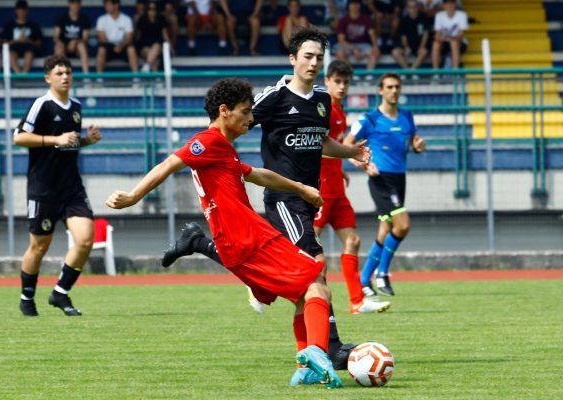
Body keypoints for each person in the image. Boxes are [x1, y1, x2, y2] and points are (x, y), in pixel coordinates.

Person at [106, 78, 344, 389]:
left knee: (304, 295)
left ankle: (307, 364)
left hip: (243, 240)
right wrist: (134, 196)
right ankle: (316, 355)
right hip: (248, 238)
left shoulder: (223, 150)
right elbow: (170, 162)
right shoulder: (208, 141)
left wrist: (300, 188)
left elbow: (257, 174)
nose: (251, 118)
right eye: (245, 112)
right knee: (317, 285)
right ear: (224, 111)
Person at [162, 27, 371, 372]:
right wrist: (222, 159)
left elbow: (318, 140)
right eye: (307, 56)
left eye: (319, 57)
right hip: (285, 199)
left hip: (308, 198)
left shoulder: (321, 101)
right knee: (314, 270)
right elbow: (235, 119)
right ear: (292, 59)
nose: (314, 63)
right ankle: (328, 347)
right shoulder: (273, 97)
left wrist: (348, 151)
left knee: (303, 282)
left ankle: (310, 355)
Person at [14, 54, 102, 317]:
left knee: (86, 239)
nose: (65, 77)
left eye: (68, 73)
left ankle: (60, 293)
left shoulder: (75, 106)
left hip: (71, 188)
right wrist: (55, 139)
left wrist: (87, 141)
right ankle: (26, 297)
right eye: (59, 73)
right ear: (48, 78)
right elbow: (18, 138)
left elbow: (69, 142)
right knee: (39, 246)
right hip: (43, 189)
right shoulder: (41, 105)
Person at [314, 59, 391, 314]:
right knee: (308, 245)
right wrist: (348, 156)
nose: (342, 86)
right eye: (337, 81)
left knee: (354, 240)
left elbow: (335, 148)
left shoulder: (340, 109)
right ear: (326, 81)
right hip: (321, 188)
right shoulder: (323, 110)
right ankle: (266, 285)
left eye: (346, 82)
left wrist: (343, 168)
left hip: (336, 185)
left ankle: (357, 302)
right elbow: (315, 149)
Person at [344, 72, 426, 297]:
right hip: (381, 179)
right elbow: (346, 146)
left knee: (387, 229)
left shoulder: (407, 117)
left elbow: (413, 142)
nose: (394, 91)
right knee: (403, 224)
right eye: (389, 87)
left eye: (397, 87)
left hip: (400, 177)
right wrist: (362, 164)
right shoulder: (369, 120)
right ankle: (382, 274)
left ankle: (363, 280)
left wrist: (419, 146)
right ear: (380, 90)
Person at [333, 0, 379, 72]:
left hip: (362, 44)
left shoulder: (366, 18)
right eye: (352, 4)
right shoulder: (343, 20)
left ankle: (369, 74)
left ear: (360, 6)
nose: (354, 6)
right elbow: (341, 40)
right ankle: (350, 74)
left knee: (375, 52)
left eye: (356, 4)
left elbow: (372, 35)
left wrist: (375, 46)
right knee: (339, 53)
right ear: (348, 6)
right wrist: (353, 49)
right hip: (347, 44)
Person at [96, 0, 139, 75]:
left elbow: (129, 38)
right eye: (105, 5)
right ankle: (99, 80)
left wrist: (121, 46)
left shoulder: (126, 19)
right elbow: (102, 38)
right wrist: (113, 46)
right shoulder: (101, 19)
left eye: (108, 5)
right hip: (108, 46)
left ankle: (136, 79)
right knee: (101, 49)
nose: (106, 7)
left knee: (131, 49)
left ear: (116, 5)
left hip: (123, 46)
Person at [2, 0, 43, 74]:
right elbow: (4, 43)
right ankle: (19, 74)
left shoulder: (33, 25)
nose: (21, 12)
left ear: (27, 11)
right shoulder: (9, 25)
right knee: (11, 54)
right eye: (19, 10)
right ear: (16, 11)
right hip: (14, 47)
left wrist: (28, 40)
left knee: (29, 53)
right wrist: (17, 40)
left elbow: (39, 44)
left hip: (29, 48)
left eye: (23, 10)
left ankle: (24, 74)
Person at [53, 0, 91, 76]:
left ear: (80, 4)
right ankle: (60, 77)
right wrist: (60, 42)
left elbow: (85, 39)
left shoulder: (84, 19)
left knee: (82, 46)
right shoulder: (61, 17)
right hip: (64, 46)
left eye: (77, 3)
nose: (75, 5)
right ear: (69, 4)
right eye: (73, 3)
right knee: (58, 47)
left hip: (77, 48)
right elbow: (55, 37)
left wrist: (75, 42)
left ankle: (86, 77)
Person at [391, 0, 430, 71]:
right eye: (410, 7)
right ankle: (406, 70)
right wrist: (406, 47)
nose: (412, 9)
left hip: (419, 44)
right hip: (408, 45)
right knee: (395, 52)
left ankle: (412, 71)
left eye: (414, 6)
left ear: (417, 7)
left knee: (423, 52)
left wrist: (422, 46)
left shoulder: (423, 18)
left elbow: (425, 34)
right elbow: (403, 37)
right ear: (407, 8)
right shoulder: (404, 20)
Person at [135, 1, 173, 71]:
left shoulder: (161, 19)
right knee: (152, 55)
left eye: (154, 9)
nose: (152, 11)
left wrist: (171, 48)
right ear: (147, 10)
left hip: (158, 47)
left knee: (156, 46)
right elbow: (138, 36)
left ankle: (147, 65)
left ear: (157, 10)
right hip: (144, 47)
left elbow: (165, 35)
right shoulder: (142, 20)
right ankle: (157, 78)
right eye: (150, 9)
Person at [431, 0, 468, 70]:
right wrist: (441, 38)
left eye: (451, 3)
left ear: (455, 4)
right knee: (435, 44)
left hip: (459, 43)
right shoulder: (439, 15)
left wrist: (448, 37)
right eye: (447, 3)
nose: (449, 5)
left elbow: (461, 34)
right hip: (444, 42)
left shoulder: (462, 15)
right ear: (443, 5)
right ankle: (435, 72)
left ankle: (455, 72)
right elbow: (437, 34)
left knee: (453, 43)